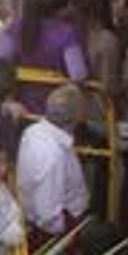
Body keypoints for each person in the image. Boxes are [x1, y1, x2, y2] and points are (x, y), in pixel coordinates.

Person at [16, 82, 89, 242]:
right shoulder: (53, 156)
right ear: (76, 117)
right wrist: (71, 234)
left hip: (58, 218)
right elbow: (48, 216)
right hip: (61, 232)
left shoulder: (33, 130)